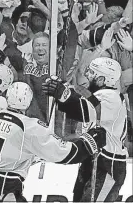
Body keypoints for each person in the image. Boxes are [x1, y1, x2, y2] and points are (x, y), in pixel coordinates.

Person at [0, 81, 106, 202]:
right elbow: (67, 155)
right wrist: (91, 141)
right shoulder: (31, 127)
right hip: (5, 183)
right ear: (29, 103)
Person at [42, 57, 128, 202]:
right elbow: (81, 101)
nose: (87, 74)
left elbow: (83, 110)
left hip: (108, 165)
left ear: (101, 79)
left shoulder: (111, 98)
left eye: (91, 72)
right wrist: (63, 89)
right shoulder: (101, 95)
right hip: (95, 158)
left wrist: (63, 94)